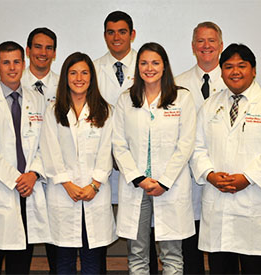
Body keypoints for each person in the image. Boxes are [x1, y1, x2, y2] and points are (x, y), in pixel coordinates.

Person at [190, 43, 261, 274]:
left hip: (255, 202)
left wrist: (247, 177)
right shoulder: (209, 106)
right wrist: (210, 175)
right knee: (220, 268)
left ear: (253, 70)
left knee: (255, 268)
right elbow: (196, 147)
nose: (235, 71)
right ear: (221, 71)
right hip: (218, 201)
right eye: (228, 67)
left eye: (241, 66)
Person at [112, 42, 196, 275]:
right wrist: (139, 178)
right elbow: (118, 144)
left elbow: (186, 144)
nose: (149, 68)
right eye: (144, 63)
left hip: (170, 186)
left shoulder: (182, 98)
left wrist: (165, 181)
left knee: (172, 256)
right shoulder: (125, 99)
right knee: (137, 255)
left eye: (155, 63)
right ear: (137, 67)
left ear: (165, 66)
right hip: (136, 186)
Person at [0, 41, 50, 274]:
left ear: (24, 64)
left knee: (21, 263)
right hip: (1, 189)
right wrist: (16, 179)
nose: (12, 67)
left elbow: (44, 144)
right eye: (6, 62)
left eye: (16, 61)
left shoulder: (37, 99)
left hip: (29, 190)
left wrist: (33, 174)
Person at [94, 11, 160, 273]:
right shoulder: (94, 69)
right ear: (104, 36)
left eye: (122, 31)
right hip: (101, 164)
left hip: (140, 170)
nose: (116, 37)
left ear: (132, 34)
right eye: (111, 32)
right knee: (100, 232)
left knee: (148, 232)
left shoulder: (148, 66)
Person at [39, 52, 116, 274]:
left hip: (95, 193)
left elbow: (106, 151)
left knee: (93, 261)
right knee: (64, 261)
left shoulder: (105, 110)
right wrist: (67, 183)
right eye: (73, 73)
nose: (79, 78)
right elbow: (49, 151)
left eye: (84, 72)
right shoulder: (53, 110)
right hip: (63, 193)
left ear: (92, 77)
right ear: (65, 77)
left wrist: (94, 184)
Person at [175, 21, 226, 275]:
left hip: (224, 175)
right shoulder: (177, 83)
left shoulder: (234, 81)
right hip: (187, 176)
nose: (206, 46)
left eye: (211, 40)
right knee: (190, 247)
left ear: (221, 45)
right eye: (200, 41)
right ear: (193, 46)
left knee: (221, 248)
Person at [22, 26, 60, 274]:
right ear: (28, 50)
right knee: (21, 249)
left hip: (55, 178)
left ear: (54, 53)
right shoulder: (14, 84)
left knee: (57, 248)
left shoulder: (63, 86)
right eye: (37, 46)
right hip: (23, 178)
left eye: (48, 48)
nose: (42, 52)